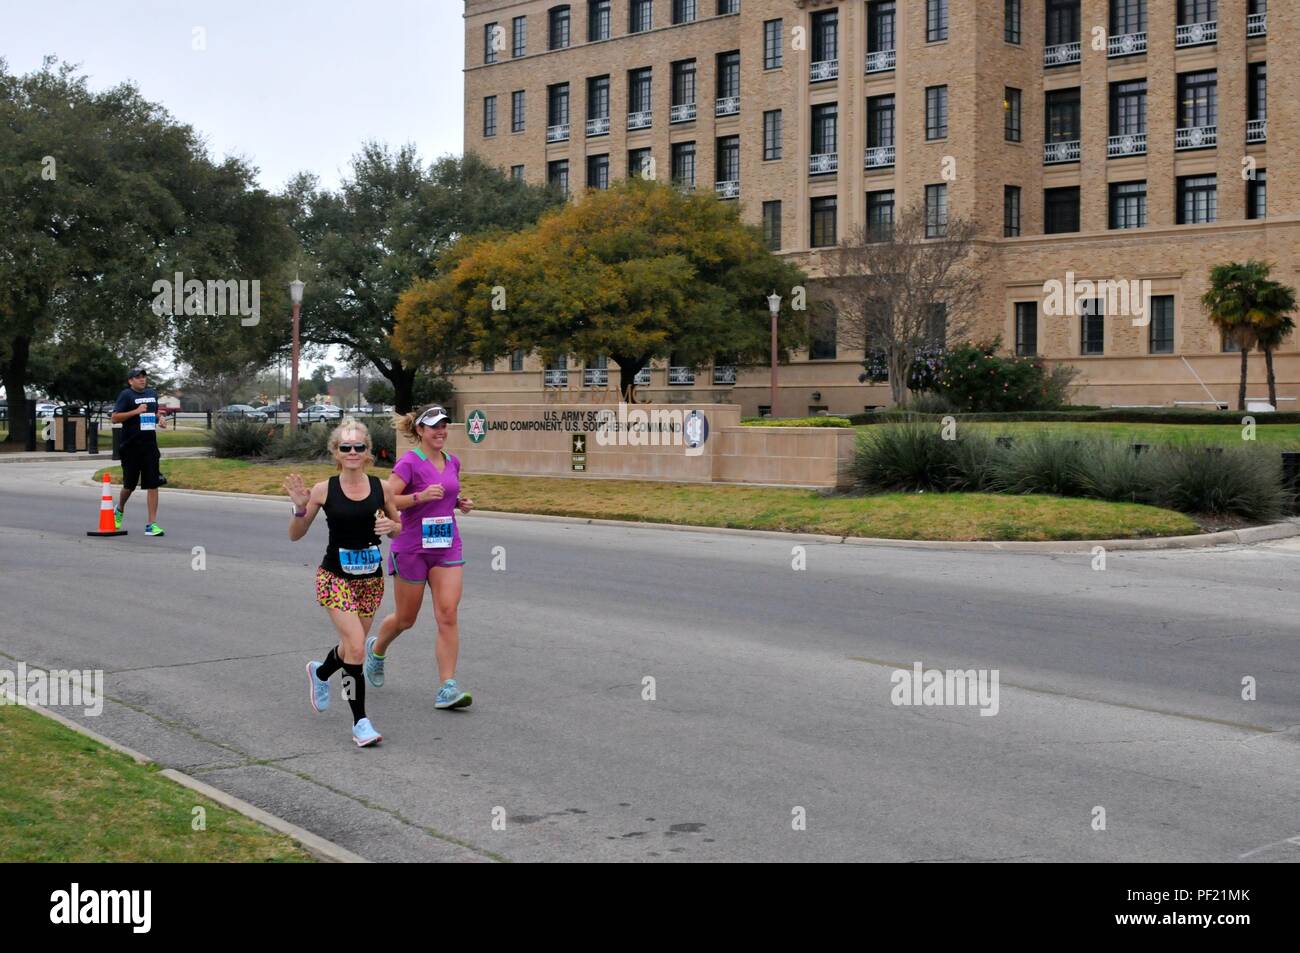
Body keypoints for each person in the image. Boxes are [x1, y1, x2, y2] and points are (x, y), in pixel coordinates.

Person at [284, 419, 401, 747]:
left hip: (370, 580)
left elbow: (397, 529)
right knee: (355, 648)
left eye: (358, 447)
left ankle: (320, 672)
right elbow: (296, 535)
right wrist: (298, 507)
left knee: (353, 647)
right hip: (334, 576)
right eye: (345, 447)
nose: (352, 452)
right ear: (336, 452)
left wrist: (390, 526)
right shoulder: (324, 489)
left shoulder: (382, 488)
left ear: (367, 453)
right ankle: (360, 722)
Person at [364, 405, 475, 710]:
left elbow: (446, 497)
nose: (440, 431)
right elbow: (385, 498)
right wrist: (419, 497)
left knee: (448, 614)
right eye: (434, 427)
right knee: (405, 619)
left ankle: (447, 686)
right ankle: (377, 650)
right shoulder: (409, 463)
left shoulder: (453, 461)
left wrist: (459, 503)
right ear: (420, 431)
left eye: (444, 426)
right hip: (411, 547)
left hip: (447, 547)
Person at [110, 367, 166, 535]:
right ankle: (119, 509)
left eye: (144, 377)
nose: (142, 379)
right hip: (130, 446)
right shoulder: (126, 395)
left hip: (149, 446)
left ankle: (151, 525)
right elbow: (114, 417)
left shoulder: (152, 393)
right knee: (130, 485)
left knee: (153, 484)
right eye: (138, 377)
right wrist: (136, 411)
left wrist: (160, 418)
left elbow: (153, 413)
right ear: (130, 381)